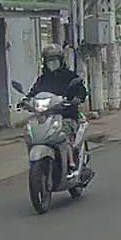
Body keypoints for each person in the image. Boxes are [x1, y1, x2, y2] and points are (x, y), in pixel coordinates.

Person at [27, 45, 91, 174]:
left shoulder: (69, 76)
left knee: (64, 132)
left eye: (54, 59)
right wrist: (26, 100)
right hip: (46, 116)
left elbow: (81, 90)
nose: (52, 63)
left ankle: (71, 163)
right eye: (49, 60)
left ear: (61, 60)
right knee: (31, 131)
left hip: (66, 115)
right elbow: (33, 92)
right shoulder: (43, 79)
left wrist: (77, 98)